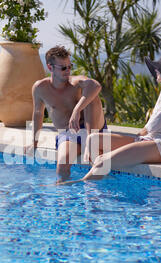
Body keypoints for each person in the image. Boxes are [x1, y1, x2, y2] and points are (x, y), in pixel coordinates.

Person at [76, 52, 161, 182]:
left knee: (102, 161)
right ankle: (102, 183)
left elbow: (156, 124)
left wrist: (137, 138)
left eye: (159, 69)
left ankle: (83, 187)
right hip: (147, 140)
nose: (156, 71)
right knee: (93, 139)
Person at [24, 46, 108, 182]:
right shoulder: (40, 88)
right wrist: (34, 143)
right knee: (62, 166)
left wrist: (76, 110)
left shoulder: (75, 82)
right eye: (63, 68)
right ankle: (66, 199)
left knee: (91, 95)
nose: (68, 71)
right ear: (50, 68)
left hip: (93, 130)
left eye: (70, 66)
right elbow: (38, 114)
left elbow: (96, 85)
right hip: (69, 134)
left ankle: (90, 141)